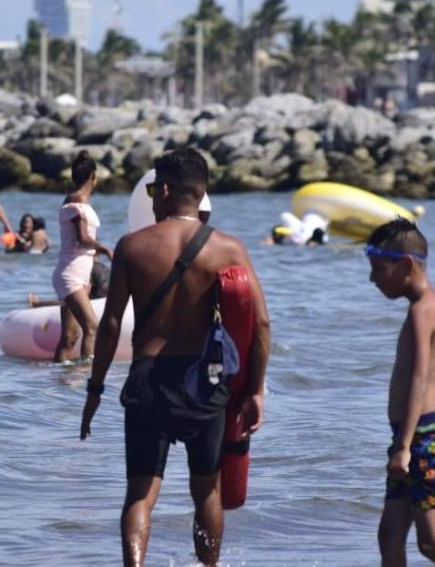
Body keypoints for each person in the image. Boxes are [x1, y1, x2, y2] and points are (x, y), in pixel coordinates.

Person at [80, 148, 271, 567]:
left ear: (165, 190)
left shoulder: (132, 246)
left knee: (140, 495)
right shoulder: (229, 249)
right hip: (205, 382)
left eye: (152, 190)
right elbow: (260, 326)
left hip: (149, 380)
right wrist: (255, 391)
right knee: (207, 491)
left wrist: (94, 390)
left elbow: (110, 325)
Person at [365, 218, 435, 567]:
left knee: (432, 543)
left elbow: (419, 380)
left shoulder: (421, 313)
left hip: (421, 442)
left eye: (379, 269)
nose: (372, 278)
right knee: (390, 537)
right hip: (421, 437)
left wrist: (402, 448)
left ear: (406, 265)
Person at [51, 151, 113, 362]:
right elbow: (83, 239)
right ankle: (90, 374)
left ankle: (60, 378)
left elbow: (85, 242)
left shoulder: (82, 202)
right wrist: (105, 249)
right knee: (92, 327)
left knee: (70, 336)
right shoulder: (76, 200)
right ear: (93, 177)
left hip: (79, 273)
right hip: (71, 274)